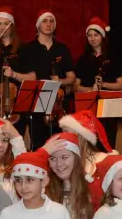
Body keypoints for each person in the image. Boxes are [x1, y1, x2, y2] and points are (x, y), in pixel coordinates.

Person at [15, 9, 76, 146]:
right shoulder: (27, 49)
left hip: (58, 104)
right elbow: (23, 78)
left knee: (60, 143)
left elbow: (71, 77)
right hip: (37, 104)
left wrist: (61, 81)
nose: (48, 24)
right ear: (38, 26)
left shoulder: (62, 49)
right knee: (38, 144)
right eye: (44, 21)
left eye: (51, 21)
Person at [75, 17, 122, 149]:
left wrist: (103, 86)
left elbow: (121, 85)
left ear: (102, 36)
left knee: (108, 142)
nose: (92, 38)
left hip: (109, 108)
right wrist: (90, 90)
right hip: (89, 109)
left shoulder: (113, 58)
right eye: (89, 35)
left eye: (96, 35)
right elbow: (76, 86)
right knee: (90, 144)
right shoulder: (83, 60)